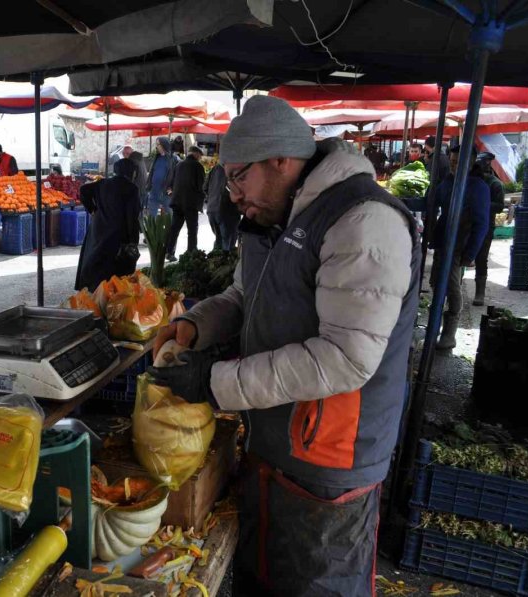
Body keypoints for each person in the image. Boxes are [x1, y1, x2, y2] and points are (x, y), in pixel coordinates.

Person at [148, 96, 419, 596]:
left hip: (329, 462)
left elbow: (346, 359)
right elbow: (245, 294)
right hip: (273, 441)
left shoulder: (363, 222)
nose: (231, 195)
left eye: (237, 177)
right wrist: (194, 326)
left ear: (280, 161)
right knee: (262, 576)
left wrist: (214, 382)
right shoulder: (271, 215)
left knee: (314, 584)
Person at [430, 143, 490, 349]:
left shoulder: (477, 186)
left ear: (471, 162)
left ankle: (449, 334)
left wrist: (470, 254)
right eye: (452, 162)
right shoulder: (448, 181)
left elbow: (482, 223)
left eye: (458, 162)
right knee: (436, 283)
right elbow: (435, 200)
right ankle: (433, 327)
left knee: (452, 288)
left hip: (459, 245)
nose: (454, 166)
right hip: (442, 242)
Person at [74, 159, 141, 291]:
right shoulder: (131, 188)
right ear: (132, 172)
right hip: (118, 232)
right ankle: (110, 294)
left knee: (97, 259)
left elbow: (83, 190)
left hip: (99, 228)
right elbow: (131, 216)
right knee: (115, 267)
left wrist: (92, 209)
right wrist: (133, 239)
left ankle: (94, 289)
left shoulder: (103, 183)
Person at [472, 152, 506, 306]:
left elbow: (499, 206)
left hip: (485, 225)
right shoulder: (471, 181)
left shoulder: (495, 184)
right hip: (468, 223)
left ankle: (480, 292)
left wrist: (483, 204)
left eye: (484, 163)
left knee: (481, 258)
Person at [165, 146, 205, 261]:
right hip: (190, 203)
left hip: (177, 202)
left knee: (175, 228)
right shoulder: (198, 166)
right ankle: (191, 253)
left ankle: (169, 252)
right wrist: (200, 203)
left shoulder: (179, 165)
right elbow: (200, 186)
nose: (200, 158)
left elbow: (171, 182)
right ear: (196, 154)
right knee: (192, 230)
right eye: (200, 156)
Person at [203, 163, 240, 251]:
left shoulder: (215, 168)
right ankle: (224, 260)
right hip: (227, 210)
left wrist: (212, 197)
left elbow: (205, 187)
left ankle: (215, 261)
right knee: (227, 242)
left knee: (219, 239)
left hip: (212, 209)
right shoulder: (235, 167)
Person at [145, 137, 179, 217]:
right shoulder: (157, 158)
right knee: (151, 218)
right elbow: (152, 173)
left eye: (158, 144)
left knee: (171, 217)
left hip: (166, 193)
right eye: (156, 144)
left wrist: (172, 188)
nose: (156, 146)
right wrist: (148, 186)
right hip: (154, 192)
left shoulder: (173, 159)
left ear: (164, 145)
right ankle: (153, 230)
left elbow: (178, 176)